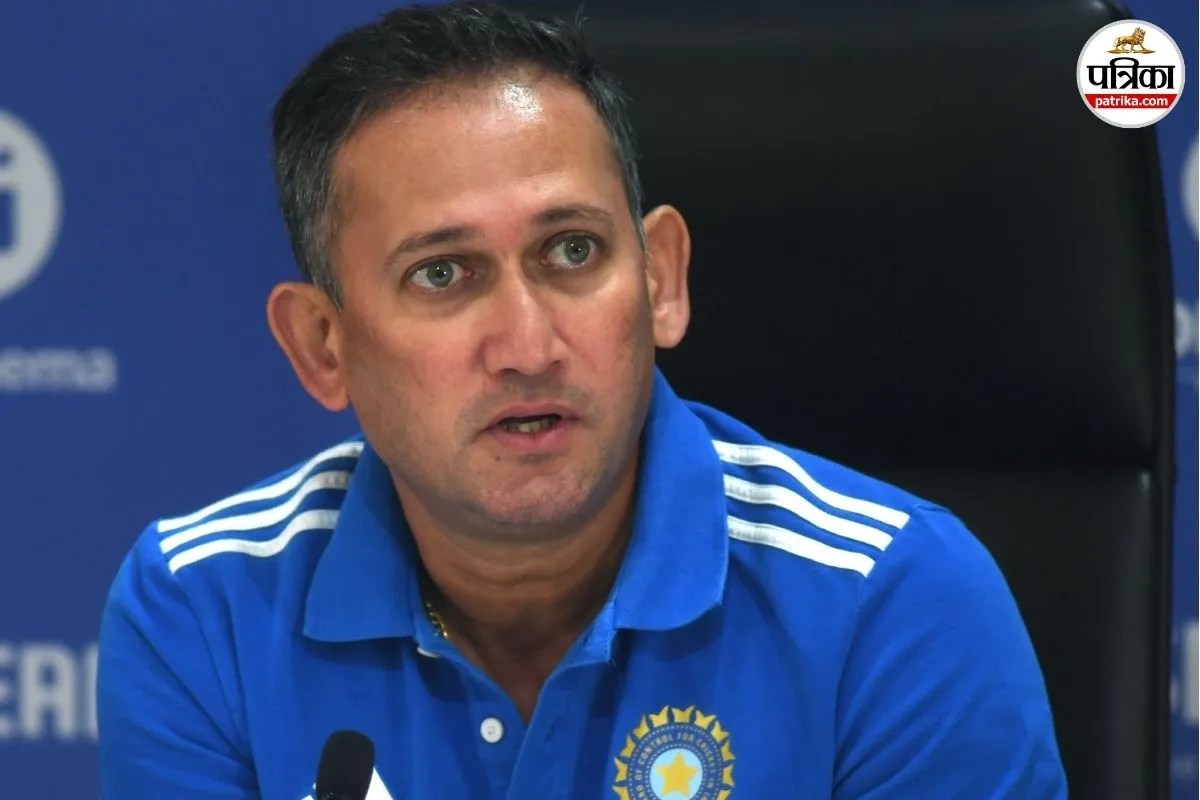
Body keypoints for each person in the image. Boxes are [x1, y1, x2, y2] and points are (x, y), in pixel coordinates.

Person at [97, 3, 1068, 798]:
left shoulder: (892, 598)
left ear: (661, 280)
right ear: (323, 345)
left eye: (572, 251)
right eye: (442, 273)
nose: (528, 346)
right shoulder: (204, 609)